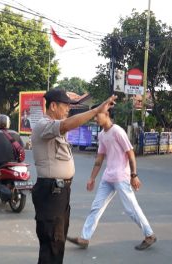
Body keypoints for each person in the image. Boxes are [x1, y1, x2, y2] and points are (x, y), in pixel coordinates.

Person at [31, 88, 117, 264]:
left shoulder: (55, 128)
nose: (68, 109)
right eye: (65, 106)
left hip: (60, 192)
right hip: (50, 192)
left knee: (58, 239)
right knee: (52, 241)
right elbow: (67, 124)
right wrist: (95, 110)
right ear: (53, 106)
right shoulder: (44, 125)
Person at [67, 105, 157, 251]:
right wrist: (92, 178)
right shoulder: (102, 135)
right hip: (108, 177)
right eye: (94, 115)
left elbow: (131, 153)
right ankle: (84, 238)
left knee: (131, 208)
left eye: (97, 115)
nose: (95, 118)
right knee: (96, 207)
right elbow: (99, 158)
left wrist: (134, 175)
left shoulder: (118, 131)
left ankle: (149, 235)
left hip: (121, 176)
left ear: (107, 114)